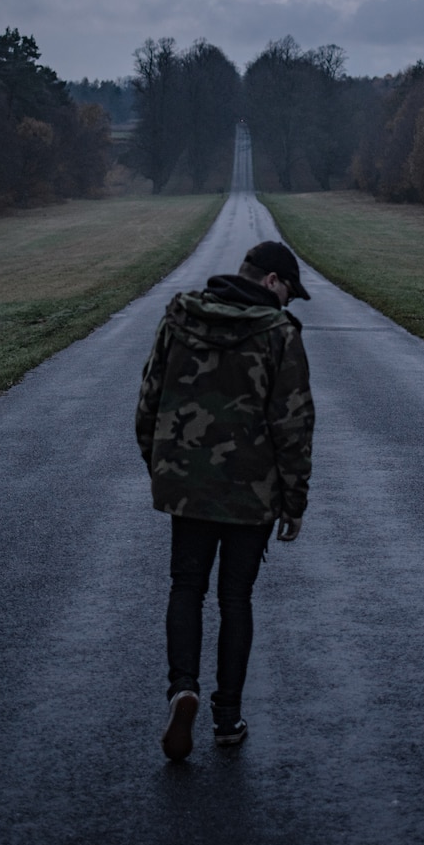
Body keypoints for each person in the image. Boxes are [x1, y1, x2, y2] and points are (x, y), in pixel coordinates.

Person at [136, 240, 315, 761]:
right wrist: (294, 501)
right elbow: (294, 426)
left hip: (187, 488)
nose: (287, 305)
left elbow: (147, 402)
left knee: (186, 587)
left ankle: (182, 688)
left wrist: (165, 469)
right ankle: (228, 718)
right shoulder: (278, 334)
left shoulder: (179, 317)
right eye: (288, 293)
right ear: (272, 282)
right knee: (235, 599)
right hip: (251, 493)